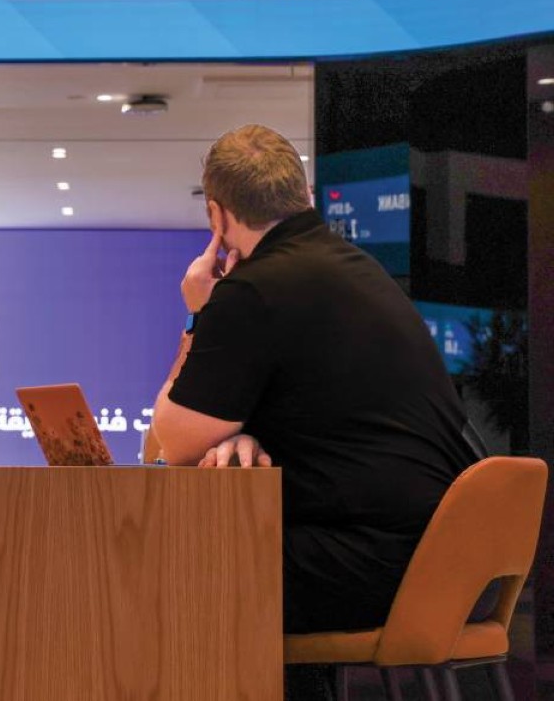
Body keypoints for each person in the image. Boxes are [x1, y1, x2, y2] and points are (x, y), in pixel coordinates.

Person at [144, 125, 479, 695]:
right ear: (303, 196)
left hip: (380, 562)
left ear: (217, 216)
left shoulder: (251, 292)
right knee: (234, 555)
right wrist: (247, 433)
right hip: (443, 556)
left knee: (163, 568)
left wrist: (198, 315)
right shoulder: (355, 268)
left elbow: (172, 444)